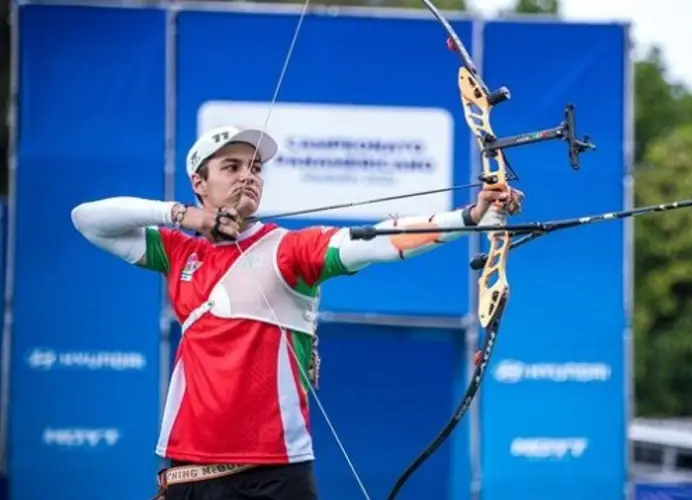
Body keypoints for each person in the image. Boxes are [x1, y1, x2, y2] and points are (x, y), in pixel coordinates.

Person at [70, 125, 524, 500]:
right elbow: (87, 218)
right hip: (192, 467)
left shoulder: (289, 250)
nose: (248, 176)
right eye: (231, 167)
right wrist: (184, 217)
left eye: (256, 168)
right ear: (199, 183)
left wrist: (469, 216)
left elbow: (377, 240)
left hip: (278, 472)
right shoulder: (176, 251)